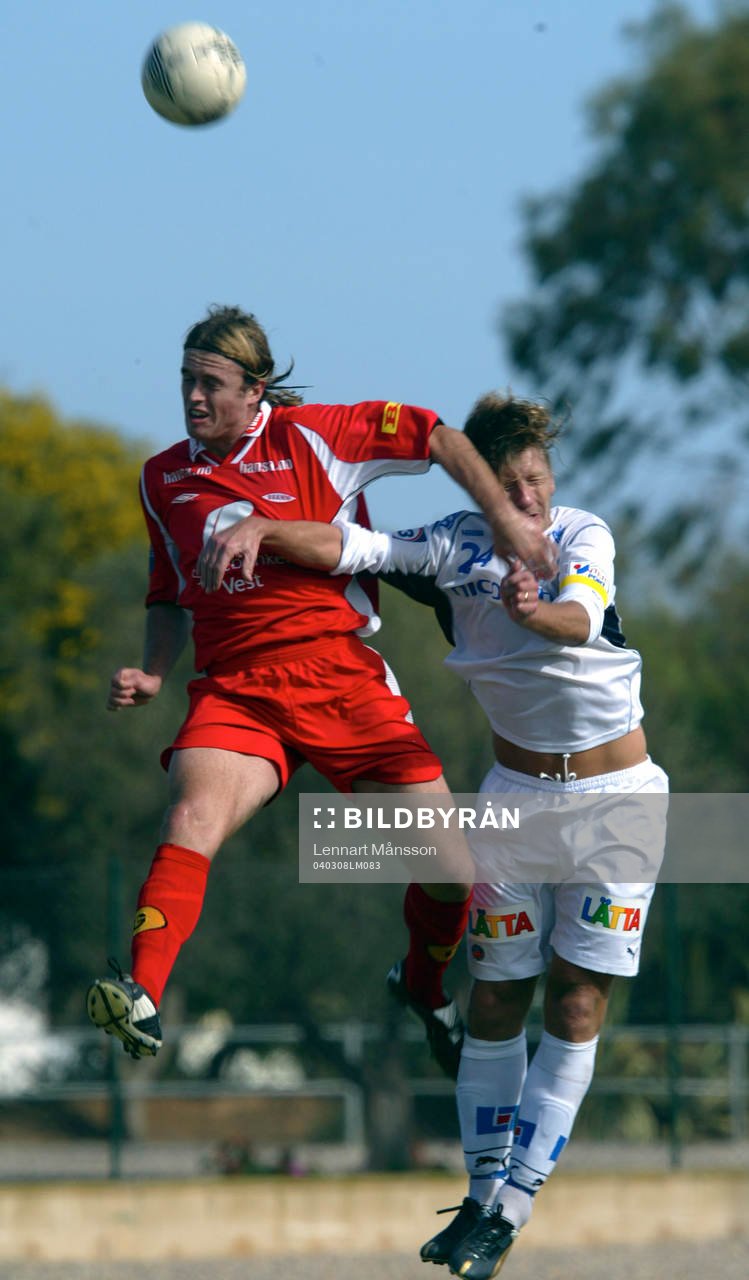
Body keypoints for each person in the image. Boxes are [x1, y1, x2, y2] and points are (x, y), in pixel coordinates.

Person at [236, 392, 669, 1278]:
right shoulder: (451, 543)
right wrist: (261, 526)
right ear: (482, 492)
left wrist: (529, 612)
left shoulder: (582, 536)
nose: (529, 500)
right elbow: (355, 547)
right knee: (496, 1000)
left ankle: (511, 1209)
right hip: (513, 799)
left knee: (576, 1002)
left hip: (617, 801)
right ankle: (477, 1199)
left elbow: (580, 617)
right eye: (509, 487)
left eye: (537, 481)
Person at [86, 308, 557, 1076]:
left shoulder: (318, 435)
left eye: (210, 384)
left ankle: (422, 982)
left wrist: (503, 517)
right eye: (185, 381)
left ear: (255, 389)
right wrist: (154, 672)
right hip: (236, 690)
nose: (193, 398)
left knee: (452, 877)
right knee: (192, 813)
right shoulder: (160, 477)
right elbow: (167, 593)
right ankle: (139, 989)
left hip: (338, 675)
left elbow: (437, 433)